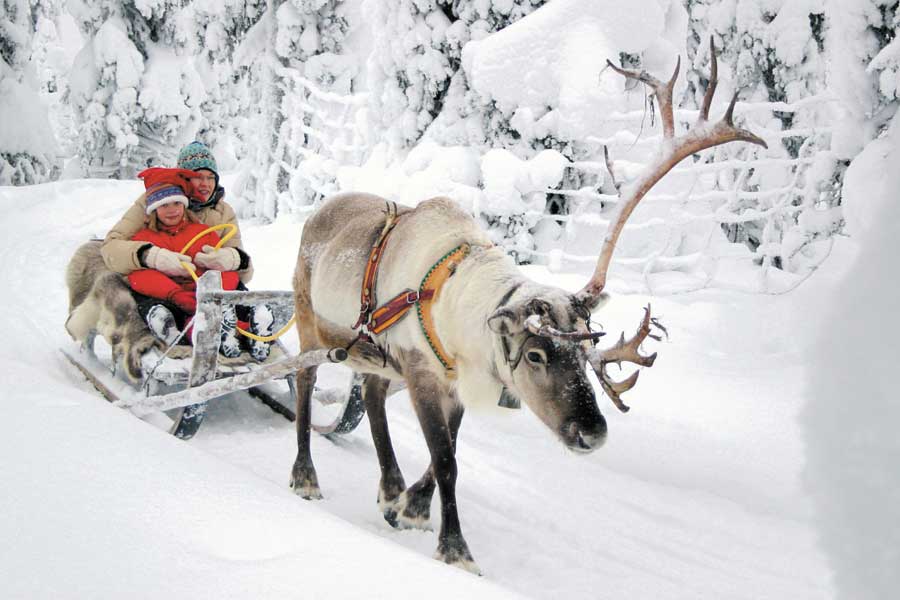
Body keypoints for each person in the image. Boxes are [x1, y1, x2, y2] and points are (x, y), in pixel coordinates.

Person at [101, 141, 271, 361]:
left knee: (228, 290)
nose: (205, 184)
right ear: (183, 177)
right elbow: (111, 247)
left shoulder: (222, 213)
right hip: (167, 285)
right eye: (197, 176)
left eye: (210, 178)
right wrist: (150, 255)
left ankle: (251, 322)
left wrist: (232, 259)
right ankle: (184, 329)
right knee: (148, 296)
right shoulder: (154, 198)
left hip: (205, 283)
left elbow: (242, 273)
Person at [126, 167, 245, 357]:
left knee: (228, 282)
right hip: (171, 297)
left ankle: (246, 327)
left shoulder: (201, 232)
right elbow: (137, 275)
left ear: (184, 205)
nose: (172, 210)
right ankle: (173, 327)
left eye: (176, 203)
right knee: (150, 298)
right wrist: (174, 294)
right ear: (154, 210)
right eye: (164, 205)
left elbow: (223, 266)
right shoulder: (144, 238)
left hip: (203, 294)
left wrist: (213, 283)